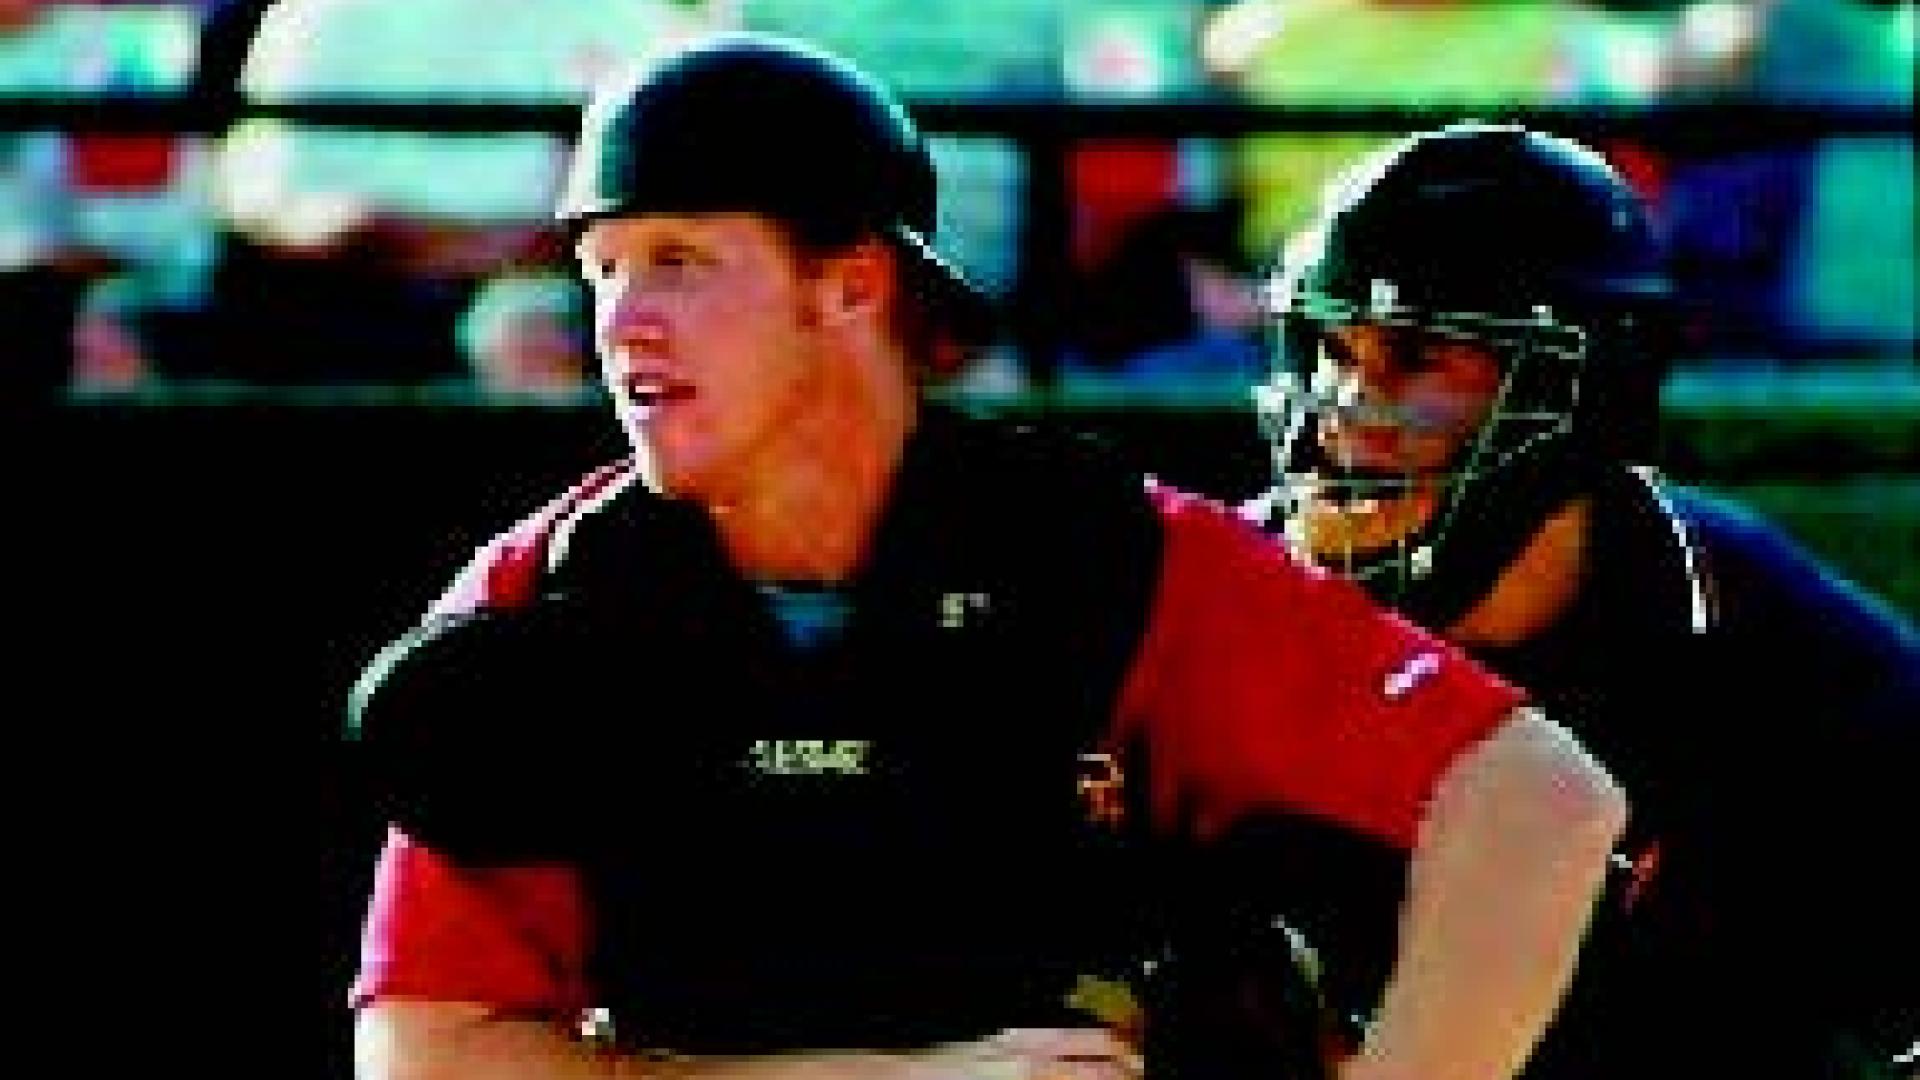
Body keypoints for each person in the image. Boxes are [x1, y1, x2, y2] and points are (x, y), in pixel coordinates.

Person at [344, 36, 1628, 1079]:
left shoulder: (1093, 549)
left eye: (678, 262)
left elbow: (1539, 802)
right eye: (601, 270)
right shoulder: (548, 596)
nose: (621, 321)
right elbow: (426, 1051)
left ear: (852, 286)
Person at [1244, 122, 1920, 1078]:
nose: (1349, 416)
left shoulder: (1786, 663)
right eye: (1332, 350)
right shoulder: (1210, 615)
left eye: (1421, 358)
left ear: (1590, 392)